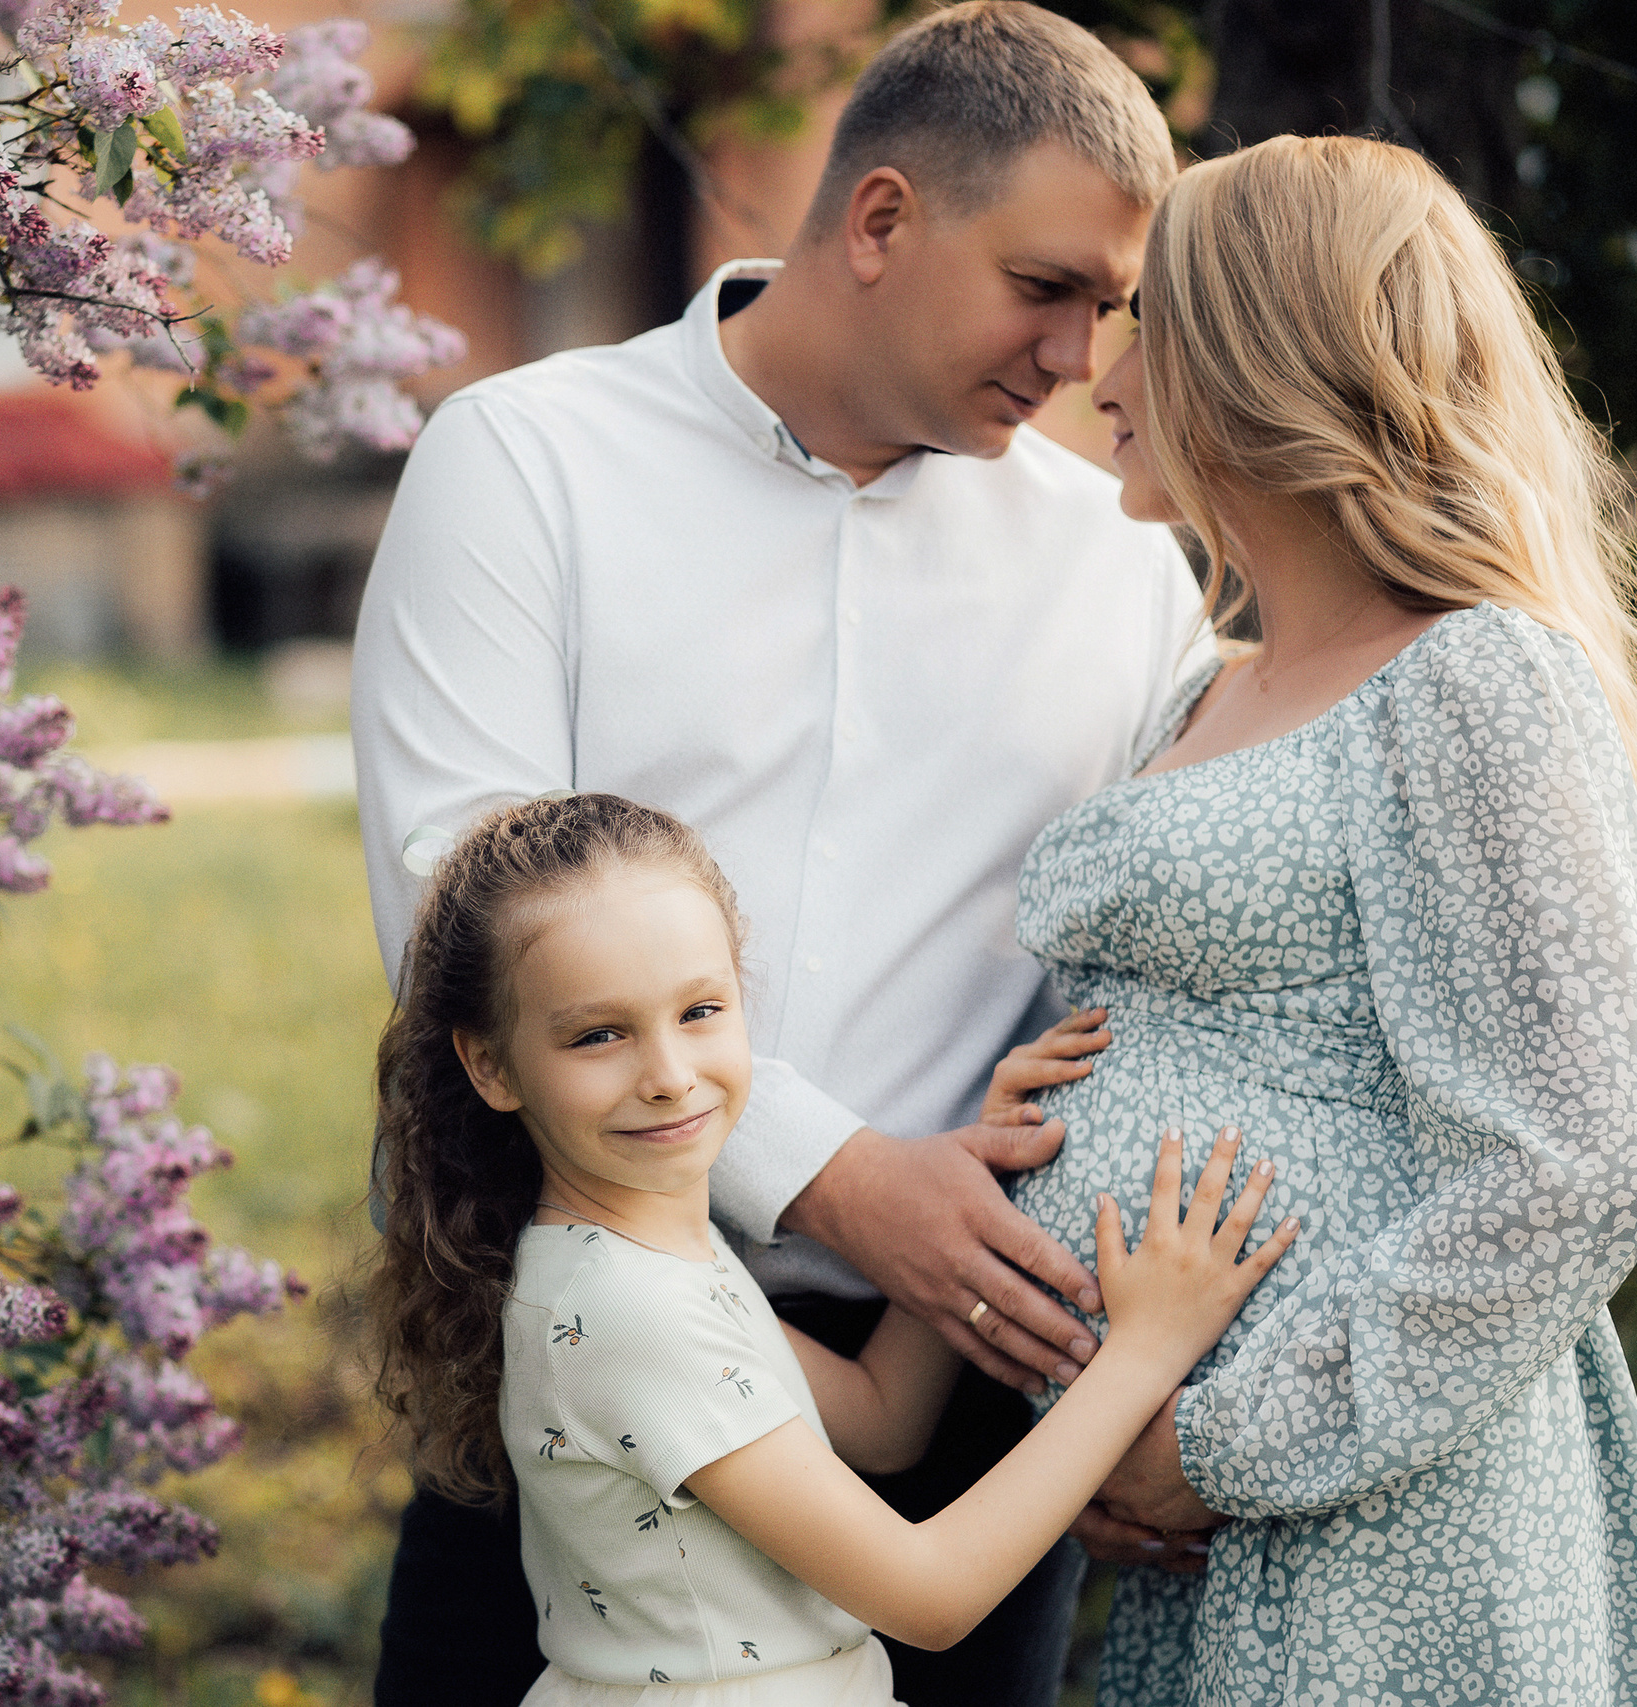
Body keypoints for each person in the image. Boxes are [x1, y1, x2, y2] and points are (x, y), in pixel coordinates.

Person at [350, 6, 1208, 1701]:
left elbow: (1157, 971)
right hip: (581, 1354)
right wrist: (839, 1176)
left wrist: (1116, 1366)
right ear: (880, 220)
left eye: (1112, 308)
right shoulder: (526, 464)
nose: (1081, 355)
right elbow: (470, 898)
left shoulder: (1120, 574)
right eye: (1047, 286)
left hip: (951, 1387)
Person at [1004, 133, 1637, 1704]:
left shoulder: (1472, 678)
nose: (1097, 366)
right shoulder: (1213, 686)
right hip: (1209, 1513)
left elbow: (1574, 1159)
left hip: (1382, 1513)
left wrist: (1223, 1441)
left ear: (1256, 350)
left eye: (1147, 319)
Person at [364, 792, 1298, 1707]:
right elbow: (930, 1596)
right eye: (598, 1034)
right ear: (490, 1063)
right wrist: (1146, 1350)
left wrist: (982, 1176)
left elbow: (883, 1421)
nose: (668, 1076)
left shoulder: (637, 1256)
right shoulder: (625, 1312)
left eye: (699, 1011)